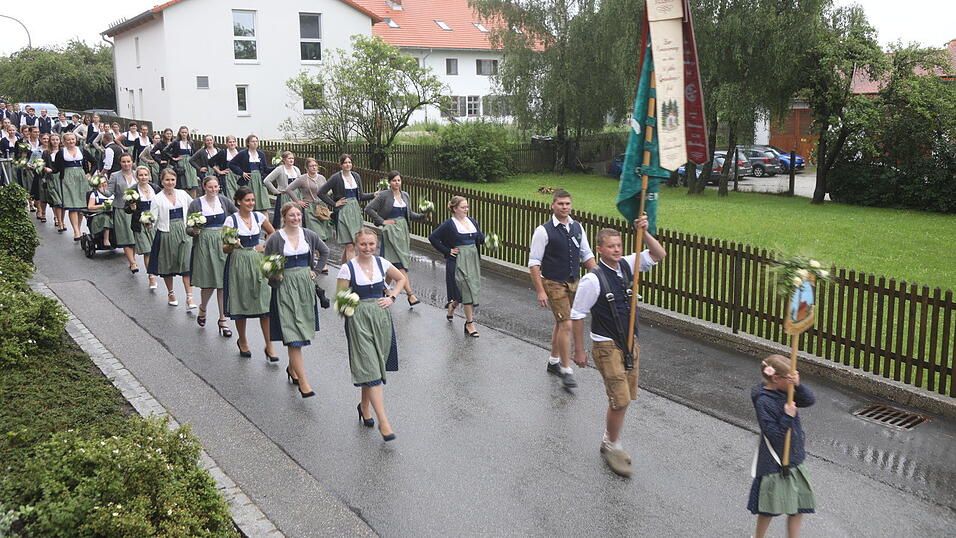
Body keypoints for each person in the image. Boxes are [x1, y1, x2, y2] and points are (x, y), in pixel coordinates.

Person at [570, 221, 665, 478]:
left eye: (619, 245)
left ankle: (609, 438)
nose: (616, 250)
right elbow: (577, 315)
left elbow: (659, 254)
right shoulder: (592, 280)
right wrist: (579, 351)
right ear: (599, 250)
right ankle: (613, 445)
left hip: (630, 343)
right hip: (606, 345)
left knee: (625, 397)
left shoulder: (626, 265)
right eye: (611, 246)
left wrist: (644, 232)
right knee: (619, 399)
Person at [337, 227, 405, 441]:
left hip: (381, 319)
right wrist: (353, 310)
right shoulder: (347, 269)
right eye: (363, 244)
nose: (367, 248)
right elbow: (341, 299)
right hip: (358, 321)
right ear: (356, 245)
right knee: (370, 368)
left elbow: (401, 278)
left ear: (376, 245)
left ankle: (364, 407)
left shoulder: (381, 263)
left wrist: (392, 297)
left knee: (374, 366)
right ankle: (384, 423)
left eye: (371, 244)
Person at [529, 189, 597, 388]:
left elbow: (586, 254)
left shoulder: (577, 227)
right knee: (567, 323)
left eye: (567, 203)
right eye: (560, 204)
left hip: (574, 282)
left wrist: (601, 277)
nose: (564, 207)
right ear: (553, 205)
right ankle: (566, 370)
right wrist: (540, 290)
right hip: (553, 282)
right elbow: (534, 263)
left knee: (561, 323)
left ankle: (553, 361)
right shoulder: (543, 231)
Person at [263, 203, 330, 398]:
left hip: (304, 286)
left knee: (301, 331)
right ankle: (303, 382)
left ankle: (292, 369)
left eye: (298, 215)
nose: (296, 218)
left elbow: (324, 251)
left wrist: (316, 271)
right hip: (285, 288)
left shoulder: (308, 235)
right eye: (292, 215)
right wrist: (275, 274)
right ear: (284, 217)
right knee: (293, 337)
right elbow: (266, 263)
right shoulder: (276, 238)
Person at [749, 355, 816, 538]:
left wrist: (798, 385)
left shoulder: (788, 391)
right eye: (789, 378)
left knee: (799, 507)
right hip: (775, 463)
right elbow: (774, 435)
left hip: (795, 459)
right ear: (776, 379)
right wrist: (787, 416)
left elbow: (809, 400)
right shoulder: (763, 401)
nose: (792, 382)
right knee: (769, 508)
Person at [223, 186, 278, 361]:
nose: (251, 203)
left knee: (264, 303)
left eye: (252, 200)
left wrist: (265, 246)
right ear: (239, 201)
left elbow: (273, 233)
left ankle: (269, 345)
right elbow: (225, 249)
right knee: (242, 301)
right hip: (239, 262)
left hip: (258, 261)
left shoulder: (259, 217)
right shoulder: (231, 220)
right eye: (247, 200)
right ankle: (243, 340)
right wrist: (233, 244)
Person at [364, 171, 427, 306]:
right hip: (391, 232)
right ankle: (411, 295)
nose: (397, 183)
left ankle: (382, 290)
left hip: (403, 232)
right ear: (389, 182)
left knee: (391, 264)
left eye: (398, 180)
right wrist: (382, 222)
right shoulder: (384, 195)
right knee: (400, 264)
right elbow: (369, 209)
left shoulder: (405, 195)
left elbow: (409, 214)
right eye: (394, 180)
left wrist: (423, 216)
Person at [187, 175, 238, 336]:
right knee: (208, 283)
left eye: (216, 187)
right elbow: (188, 228)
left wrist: (232, 232)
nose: (213, 190)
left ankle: (223, 320)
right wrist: (194, 230)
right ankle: (203, 308)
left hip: (222, 243)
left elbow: (237, 215)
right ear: (204, 187)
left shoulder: (223, 200)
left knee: (222, 283)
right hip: (204, 245)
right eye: (210, 187)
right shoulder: (196, 203)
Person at [428, 196, 486, 338]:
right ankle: (469, 323)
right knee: (466, 290)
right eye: (463, 207)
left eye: (467, 207)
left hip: (472, 260)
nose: (466, 209)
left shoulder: (472, 221)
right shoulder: (449, 224)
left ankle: (452, 306)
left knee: (466, 291)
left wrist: (488, 240)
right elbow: (433, 238)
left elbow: (479, 238)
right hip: (458, 261)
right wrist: (447, 251)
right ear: (454, 209)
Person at [147, 167, 197, 309]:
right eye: (167, 180)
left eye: (172, 179)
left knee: (186, 264)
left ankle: (190, 297)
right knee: (168, 265)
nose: (170, 182)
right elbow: (152, 218)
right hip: (166, 233)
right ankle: (171, 293)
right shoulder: (157, 198)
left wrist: (196, 221)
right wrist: (149, 223)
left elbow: (194, 207)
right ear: (162, 181)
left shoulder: (182, 194)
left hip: (184, 231)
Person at [319, 154, 373, 263]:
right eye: (345, 163)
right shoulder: (336, 178)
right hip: (342, 213)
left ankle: (344, 269)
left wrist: (374, 195)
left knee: (353, 243)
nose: (348, 165)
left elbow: (361, 196)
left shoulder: (356, 176)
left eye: (349, 162)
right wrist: (334, 204)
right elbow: (321, 193)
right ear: (341, 164)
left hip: (355, 212)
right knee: (349, 245)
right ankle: (353, 272)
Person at [54, 133, 98, 241]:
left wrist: (90, 174)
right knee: (72, 204)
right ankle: (76, 231)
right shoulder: (61, 152)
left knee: (81, 205)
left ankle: (78, 227)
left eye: (73, 139)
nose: (71, 141)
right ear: (64, 141)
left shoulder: (81, 150)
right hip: (67, 179)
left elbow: (94, 162)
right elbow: (57, 168)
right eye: (68, 140)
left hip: (81, 178)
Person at [126, 165, 161, 290]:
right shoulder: (132, 190)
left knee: (156, 250)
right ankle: (151, 277)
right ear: (137, 177)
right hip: (140, 224)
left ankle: (156, 271)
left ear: (149, 176)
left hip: (154, 223)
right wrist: (132, 208)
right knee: (147, 251)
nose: (143, 177)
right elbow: (126, 209)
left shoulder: (155, 188)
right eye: (141, 175)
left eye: (145, 175)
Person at [286, 158, 333, 246]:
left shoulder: (322, 178)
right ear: (307, 168)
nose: (314, 168)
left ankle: (316, 252)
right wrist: (298, 201)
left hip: (322, 207)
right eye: (311, 166)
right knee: (317, 233)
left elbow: (326, 191)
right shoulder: (302, 178)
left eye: (315, 165)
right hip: (310, 207)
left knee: (324, 233)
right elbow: (289, 189)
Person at [108, 154, 140, 272]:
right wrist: (99, 188)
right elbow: (109, 192)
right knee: (125, 236)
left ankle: (133, 259)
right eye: (123, 162)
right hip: (121, 209)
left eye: (128, 161)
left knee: (134, 236)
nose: (126, 164)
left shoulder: (137, 174)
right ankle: (132, 263)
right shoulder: (115, 175)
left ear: (132, 162)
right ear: (120, 163)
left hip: (136, 210)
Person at [229, 135, 272, 212]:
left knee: (263, 207)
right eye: (252, 141)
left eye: (256, 141)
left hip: (260, 182)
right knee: (249, 207)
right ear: (248, 143)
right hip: (248, 182)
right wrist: (242, 173)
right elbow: (231, 164)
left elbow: (265, 169)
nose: (255, 143)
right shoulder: (243, 154)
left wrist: (277, 168)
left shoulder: (261, 154)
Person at [263, 150, 300, 230]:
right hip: (284, 195)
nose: (291, 160)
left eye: (292, 158)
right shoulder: (279, 169)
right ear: (284, 159)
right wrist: (275, 191)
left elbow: (300, 182)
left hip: (295, 195)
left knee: (295, 215)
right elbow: (267, 181)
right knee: (283, 215)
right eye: (289, 158)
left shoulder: (296, 169)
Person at [164, 126, 198, 197]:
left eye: (185, 132)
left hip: (190, 165)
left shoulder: (191, 142)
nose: (184, 134)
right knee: (183, 184)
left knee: (193, 185)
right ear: (179, 133)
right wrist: (173, 158)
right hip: (181, 165)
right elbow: (165, 150)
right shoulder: (176, 142)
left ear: (188, 133)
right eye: (182, 132)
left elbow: (194, 153)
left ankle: (193, 201)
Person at [42, 133, 65, 231]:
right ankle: (59, 221)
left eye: (57, 140)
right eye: (53, 140)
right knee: (56, 201)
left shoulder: (63, 151)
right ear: (50, 141)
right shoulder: (46, 153)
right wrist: (45, 168)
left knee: (63, 201)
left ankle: (62, 221)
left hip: (62, 178)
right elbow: (42, 164)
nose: (55, 142)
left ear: (60, 141)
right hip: (51, 178)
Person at [86, 174, 114, 247]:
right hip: (99, 215)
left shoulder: (112, 193)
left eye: (105, 182)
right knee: (106, 218)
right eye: (101, 183)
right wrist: (103, 205)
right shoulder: (94, 194)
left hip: (112, 213)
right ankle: (106, 239)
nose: (103, 184)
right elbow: (90, 206)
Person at [208, 135, 241, 199]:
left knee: (240, 195)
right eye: (230, 142)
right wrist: (219, 171)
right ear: (226, 144)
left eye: (233, 142)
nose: (232, 143)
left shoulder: (240, 152)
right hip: (228, 177)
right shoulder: (223, 152)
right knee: (230, 195)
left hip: (239, 176)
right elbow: (210, 162)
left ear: (236, 143)